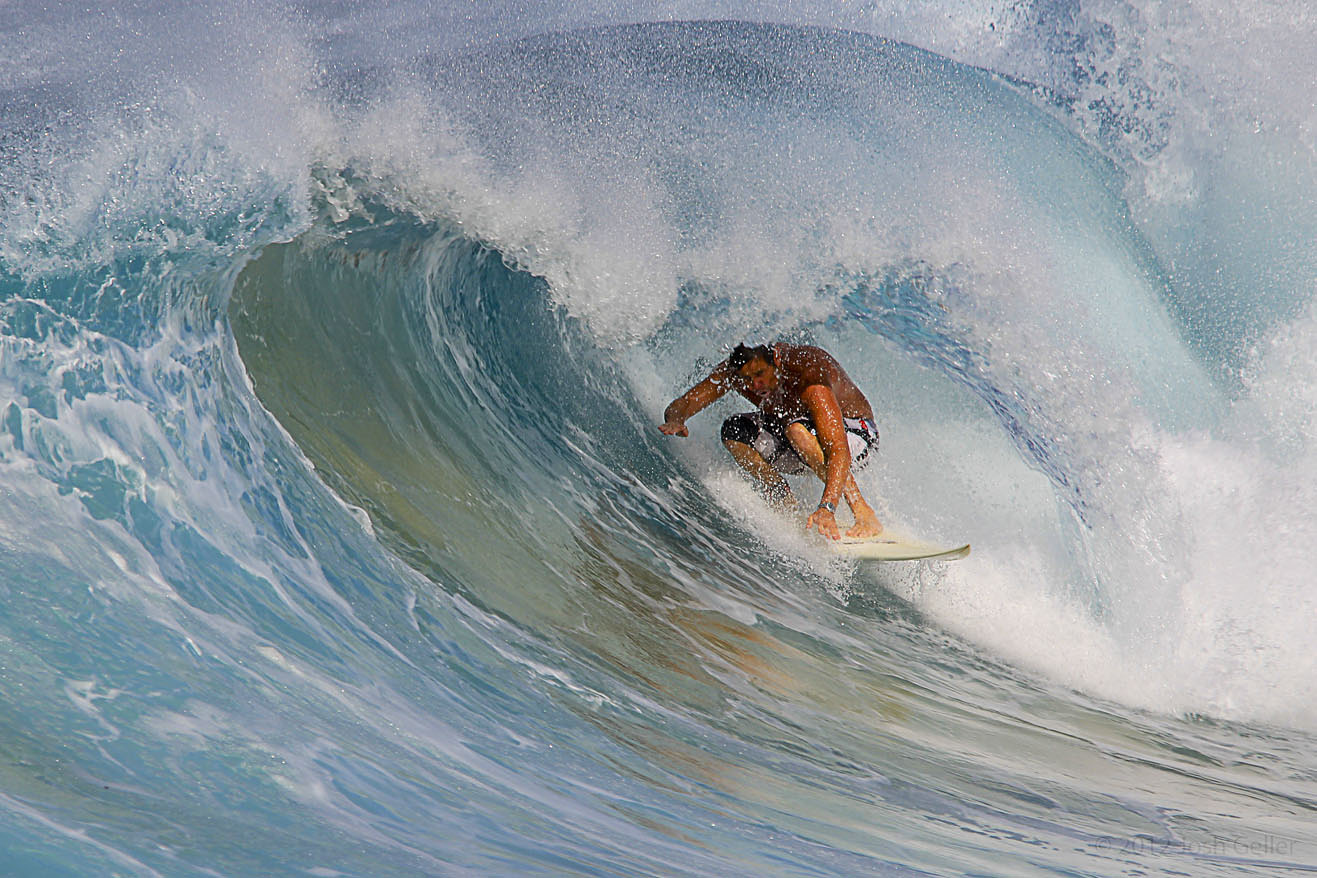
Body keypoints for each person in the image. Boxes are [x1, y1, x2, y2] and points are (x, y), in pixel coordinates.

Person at [660, 342, 883, 539]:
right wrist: (676, 420)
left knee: (797, 430)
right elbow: (685, 403)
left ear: (775, 361)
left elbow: (837, 449)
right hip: (800, 445)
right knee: (734, 430)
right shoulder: (735, 373)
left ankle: (862, 510)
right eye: (748, 379)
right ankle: (783, 498)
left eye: (760, 374)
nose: (756, 385)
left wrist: (828, 506)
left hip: (857, 437)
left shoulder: (809, 376)